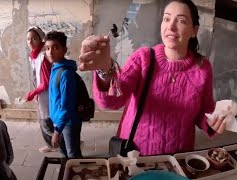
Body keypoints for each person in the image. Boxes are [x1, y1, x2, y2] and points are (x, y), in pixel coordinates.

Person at [78, 0, 226, 156]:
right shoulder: (143, 59)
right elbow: (111, 102)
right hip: (134, 156)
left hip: (177, 160)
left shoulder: (202, 68)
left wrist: (213, 122)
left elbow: (204, 112)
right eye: (166, 19)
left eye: (181, 20)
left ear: (194, 30)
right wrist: (105, 69)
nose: (171, 26)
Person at [46, 31, 82, 158]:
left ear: (64, 50)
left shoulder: (66, 74)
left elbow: (66, 106)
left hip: (68, 123)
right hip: (59, 122)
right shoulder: (54, 68)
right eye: (48, 48)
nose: (50, 52)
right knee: (64, 153)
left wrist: (57, 131)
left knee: (73, 155)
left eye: (55, 47)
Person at [24, 26, 56, 153]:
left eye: (34, 39)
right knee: (50, 121)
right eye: (28, 39)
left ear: (40, 39)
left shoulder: (42, 56)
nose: (30, 42)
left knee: (46, 122)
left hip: (47, 96)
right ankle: (68, 141)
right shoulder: (35, 55)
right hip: (43, 95)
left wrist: (32, 93)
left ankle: (57, 145)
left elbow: (46, 83)